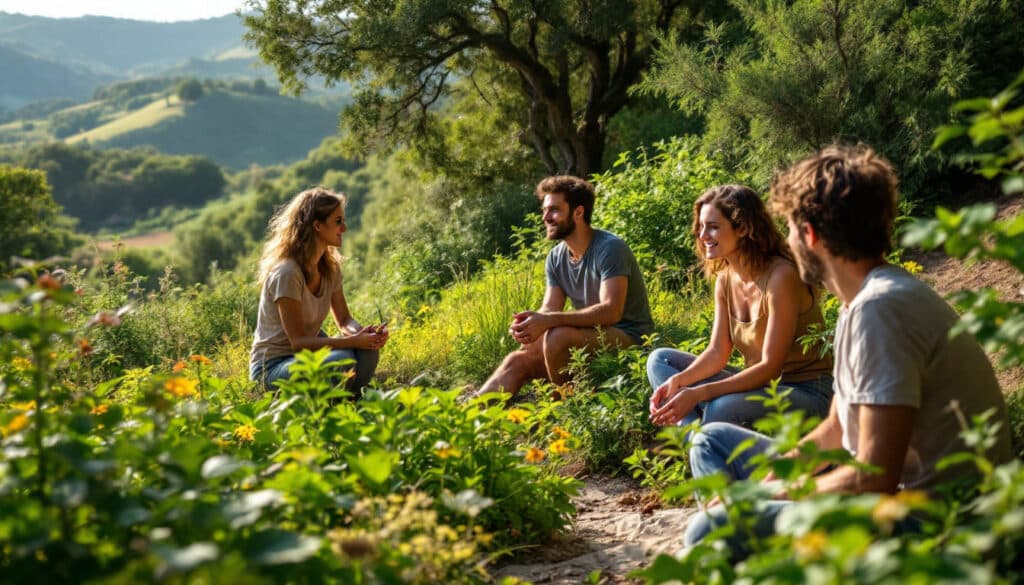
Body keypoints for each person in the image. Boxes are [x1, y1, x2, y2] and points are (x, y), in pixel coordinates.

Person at [682, 145, 1013, 556]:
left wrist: (771, 497)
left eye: (789, 227)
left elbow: (875, 480)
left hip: (933, 523)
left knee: (708, 533)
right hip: (884, 494)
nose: (784, 239)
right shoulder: (860, 302)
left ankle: (750, 546)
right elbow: (836, 429)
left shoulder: (881, 311)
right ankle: (759, 547)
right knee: (711, 440)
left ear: (811, 236)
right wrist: (768, 486)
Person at [647, 185, 833, 431]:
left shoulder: (781, 277)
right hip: (760, 388)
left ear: (743, 228)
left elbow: (770, 367)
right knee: (661, 360)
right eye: (701, 226)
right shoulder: (725, 278)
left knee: (720, 407)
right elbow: (716, 352)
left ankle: (707, 436)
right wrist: (680, 382)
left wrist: (698, 393)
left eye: (713, 226)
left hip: (805, 392)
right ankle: (698, 439)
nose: (703, 236)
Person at [475, 175, 654, 397]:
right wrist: (531, 324)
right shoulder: (556, 257)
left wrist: (550, 321)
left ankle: (564, 406)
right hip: (587, 338)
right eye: (544, 210)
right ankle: (472, 413)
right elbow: (550, 308)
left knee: (557, 336)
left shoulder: (610, 248)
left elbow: (611, 311)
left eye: (554, 210)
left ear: (578, 212)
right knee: (518, 359)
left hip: (630, 338)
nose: (545, 217)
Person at [249, 187, 388, 393]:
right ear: (317, 226)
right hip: (272, 368)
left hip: (307, 358)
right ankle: (334, 402)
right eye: (338, 222)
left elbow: (344, 320)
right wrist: (352, 341)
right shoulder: (287, 273)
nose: (345, 228)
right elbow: (298, 343)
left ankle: (352, 399)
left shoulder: (330, 268)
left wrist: (363, 335)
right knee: (341, 360)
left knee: (367, 352)